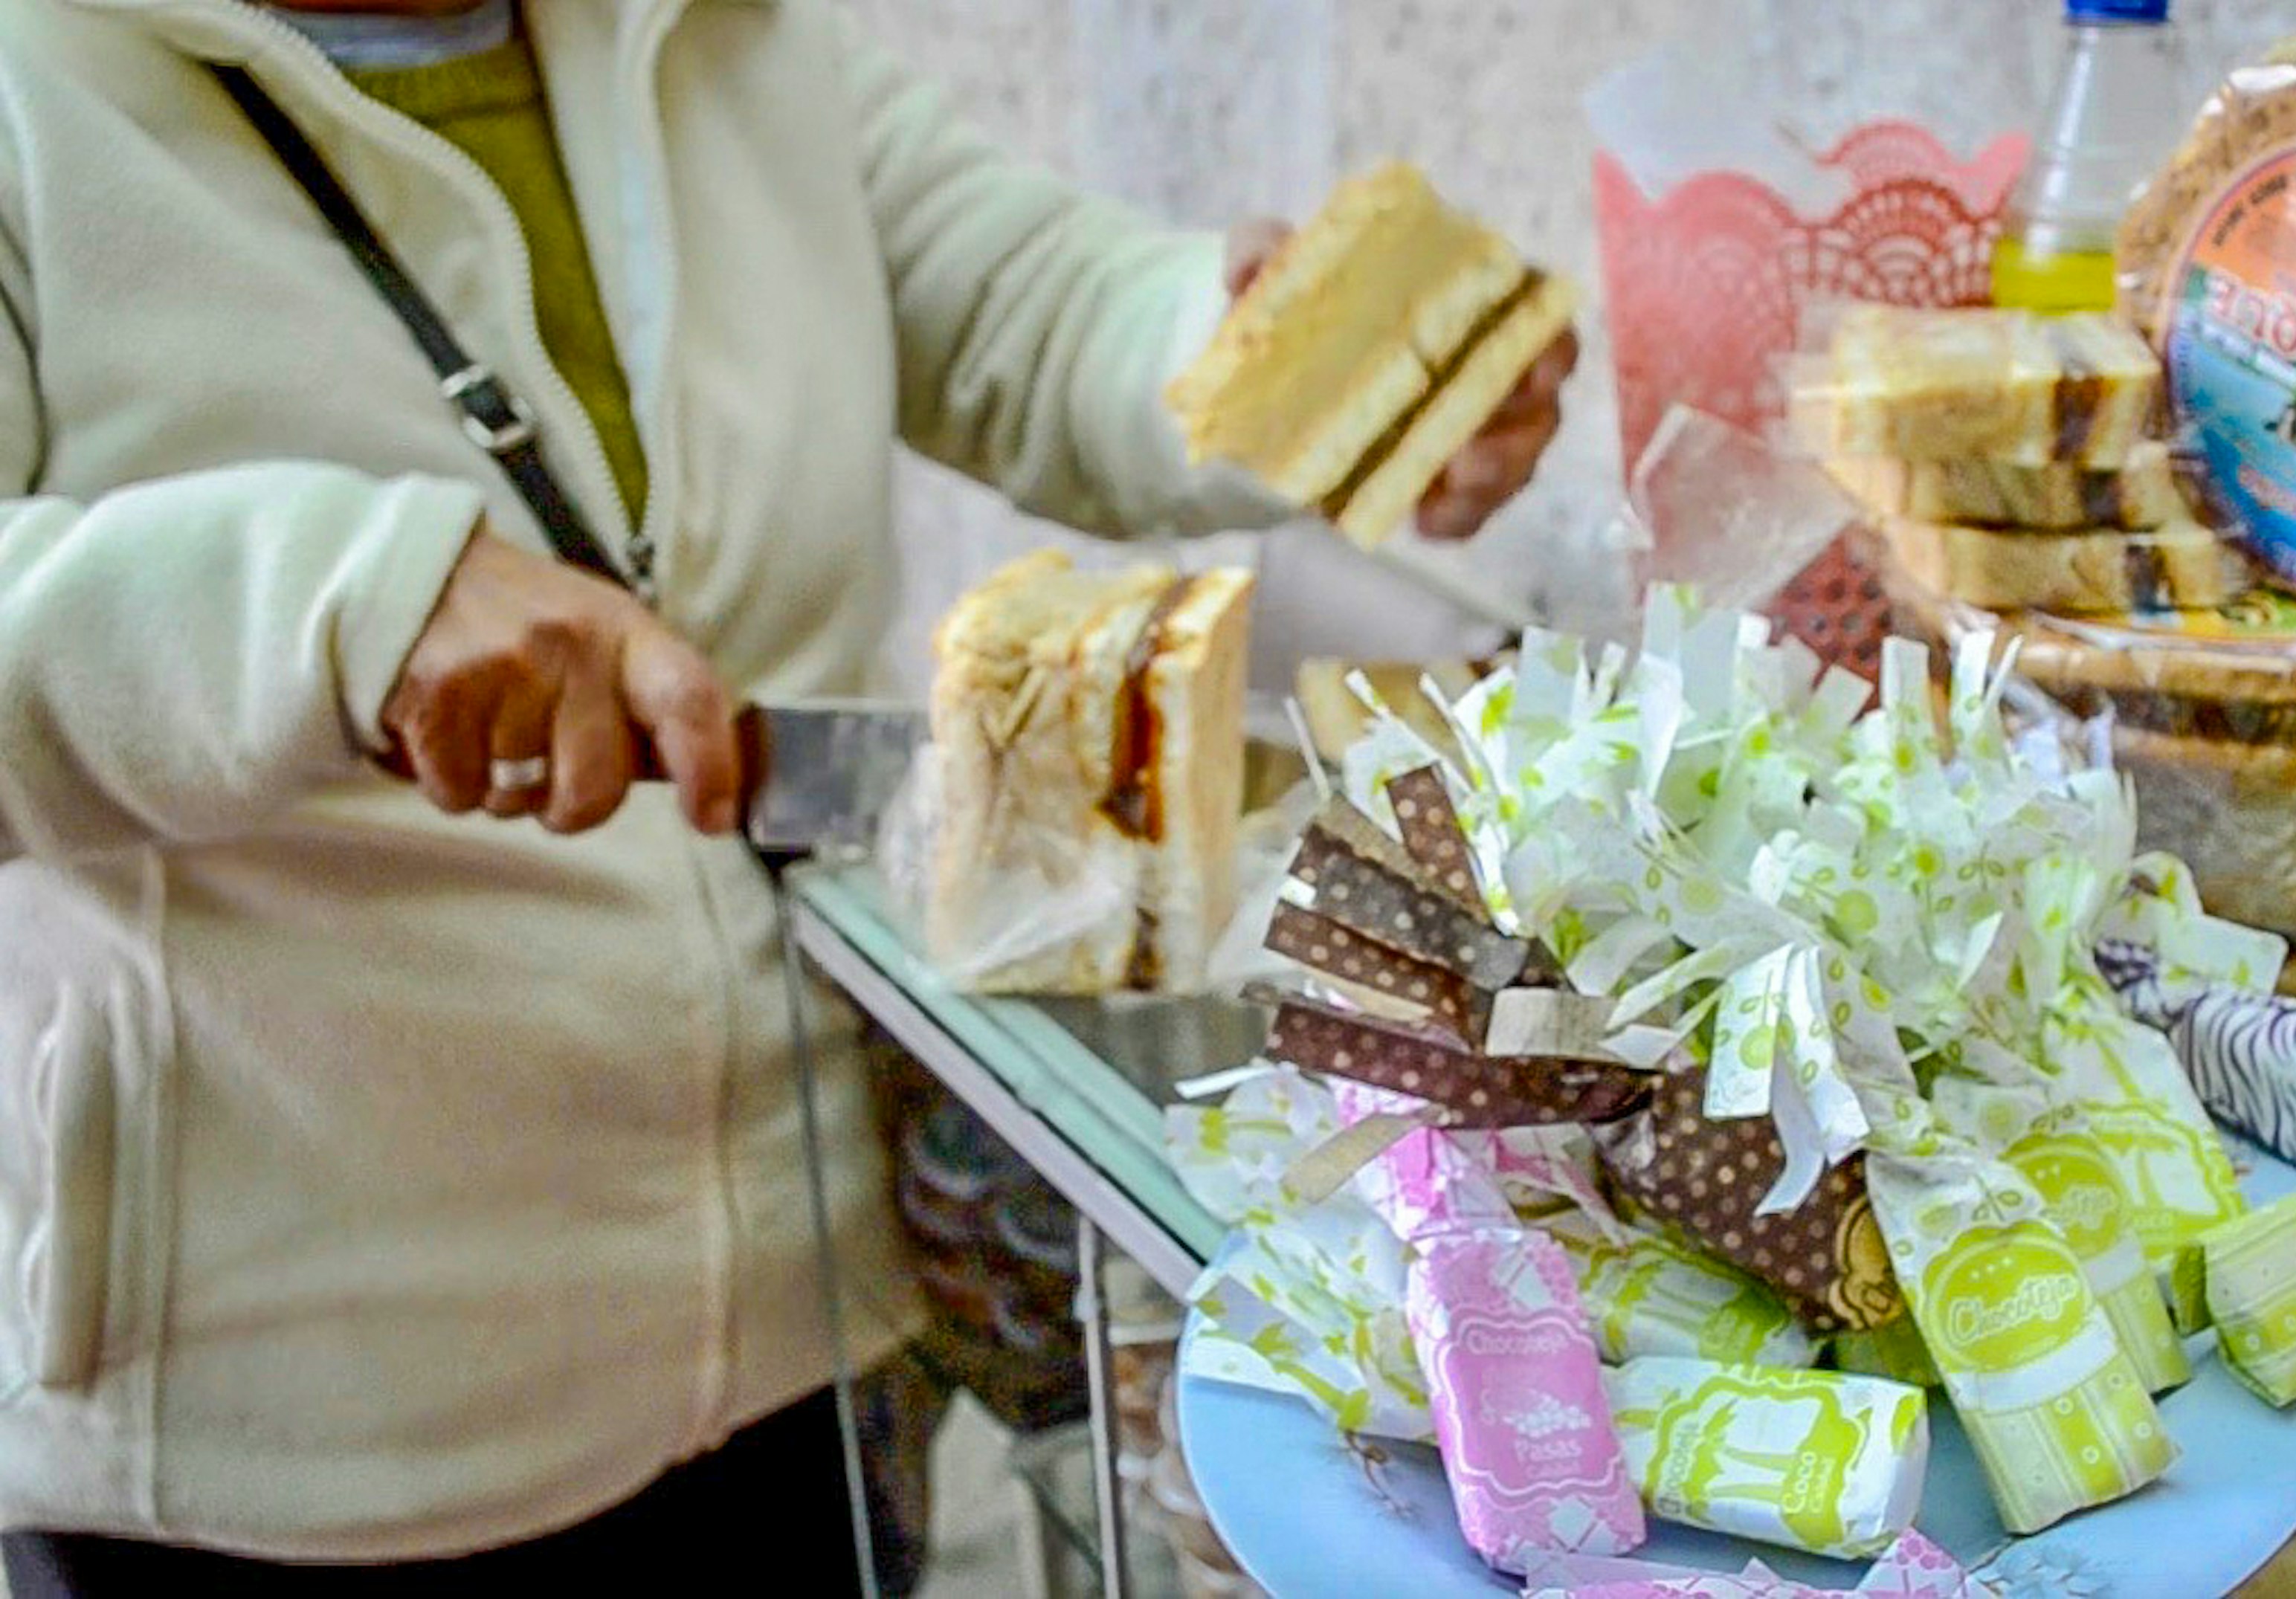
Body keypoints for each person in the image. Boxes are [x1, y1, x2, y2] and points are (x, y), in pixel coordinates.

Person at [0, 0, 1575, 1589]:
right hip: (292, 1431)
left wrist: (1294, 364)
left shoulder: (703, 34)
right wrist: (328, 611)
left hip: (808, 1331)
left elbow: (1031, 309)